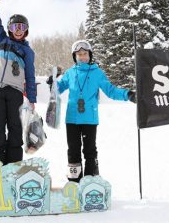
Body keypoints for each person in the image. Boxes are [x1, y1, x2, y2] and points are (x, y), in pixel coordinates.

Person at [49, 40, 135, 182]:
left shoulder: (97, 73)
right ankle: (74, 181)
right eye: (79, 54)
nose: (82, 57)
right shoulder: (70, 73)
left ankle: (91, 181)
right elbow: (58, 89)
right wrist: (52, 83)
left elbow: (111, 91)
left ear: (90, 55)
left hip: (89, 118)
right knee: (73, 151)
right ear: (74, 57)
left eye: (85, 54)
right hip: (72, 119)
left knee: (90, 151)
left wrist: (128, 94)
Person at [0, 2, 36, 165]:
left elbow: (30, 75)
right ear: (9, 29)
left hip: (14, 90)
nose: (18, 30)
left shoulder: (27, 52)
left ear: (26, 30)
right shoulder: (1, 39)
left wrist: (32, 99)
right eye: (15, 27)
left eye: (21, 27)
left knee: (15, 127)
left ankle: (13, 165)